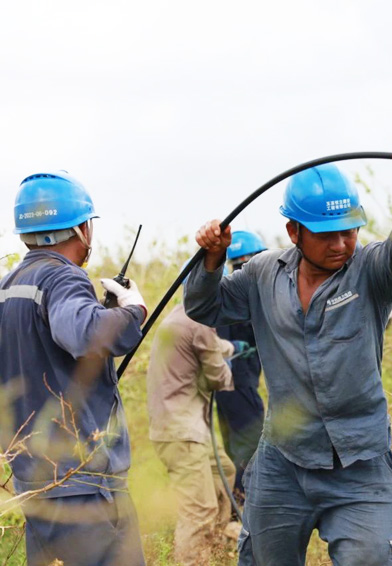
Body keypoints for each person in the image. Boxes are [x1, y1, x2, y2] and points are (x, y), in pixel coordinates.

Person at [185, 146, 392, 566]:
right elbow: (205, 307)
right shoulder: (262, 274)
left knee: (376, 557)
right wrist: (211, 260)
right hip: (282, 458)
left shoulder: (371, 270)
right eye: (326, 234)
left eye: (350, 231)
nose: (342, 244)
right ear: (293, 231)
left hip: (361, 458)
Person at [0, 171, 148, 565]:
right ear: (82, 228)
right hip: (84, 487)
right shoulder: (62, 277)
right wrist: (133, 312)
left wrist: (104, 314)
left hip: (35, 483)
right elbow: (84, 334)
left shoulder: (9, 286)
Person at [146, 267, 240, 566]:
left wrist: (229, 348)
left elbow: (206, 348)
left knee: (224, 470)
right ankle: (194, 559)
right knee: (198, 511)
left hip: (178, 428)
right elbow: (217, 377)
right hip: (182, 432)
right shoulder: (199, 322)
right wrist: (229, 366)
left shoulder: (179, 315)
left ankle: (215, 549)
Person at [216, 231, 267, 506]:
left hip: (224, 386)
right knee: (252, 446)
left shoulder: (223, 291)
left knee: (233, 447)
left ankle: (234, 505)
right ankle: (243, 505)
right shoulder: (247, 296)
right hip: (240, 382)